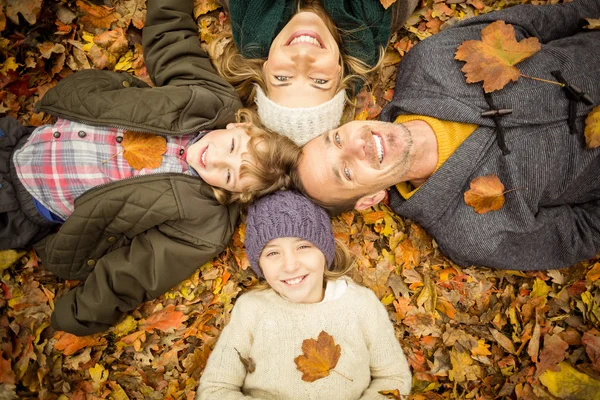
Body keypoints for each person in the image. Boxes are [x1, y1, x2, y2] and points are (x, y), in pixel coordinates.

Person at [0, 0, 300, 336]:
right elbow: (172, 45)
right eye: (231, 149)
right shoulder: (210, 103)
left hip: (24, 203)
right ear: (238, 127)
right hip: (22, 139)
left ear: (236, 194)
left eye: (229, 175)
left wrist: (83, 313)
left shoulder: (205, 223)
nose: (214, 159)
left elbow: (139, 270)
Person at [295, 0, 600, 271]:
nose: (356, 147)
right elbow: (584, 232)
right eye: (346, 172)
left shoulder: (430, 62)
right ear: (370, 199)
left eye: (336, 140)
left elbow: (540, 22)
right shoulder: (472, 233)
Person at [197, 190, 412, 399]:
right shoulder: (251, 309)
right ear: (259, 264)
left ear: (324, 251)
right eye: (273, 252)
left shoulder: (361, 304)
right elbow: (215, 389)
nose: (290, 266)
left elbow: (393, 378)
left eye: (303, 247)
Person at [213, 0, 419, 146]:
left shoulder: (240, 6)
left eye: (282, 78)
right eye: (319, 80)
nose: (303, 55)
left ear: (265, 68)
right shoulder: (393, 10)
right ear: (340, 75)